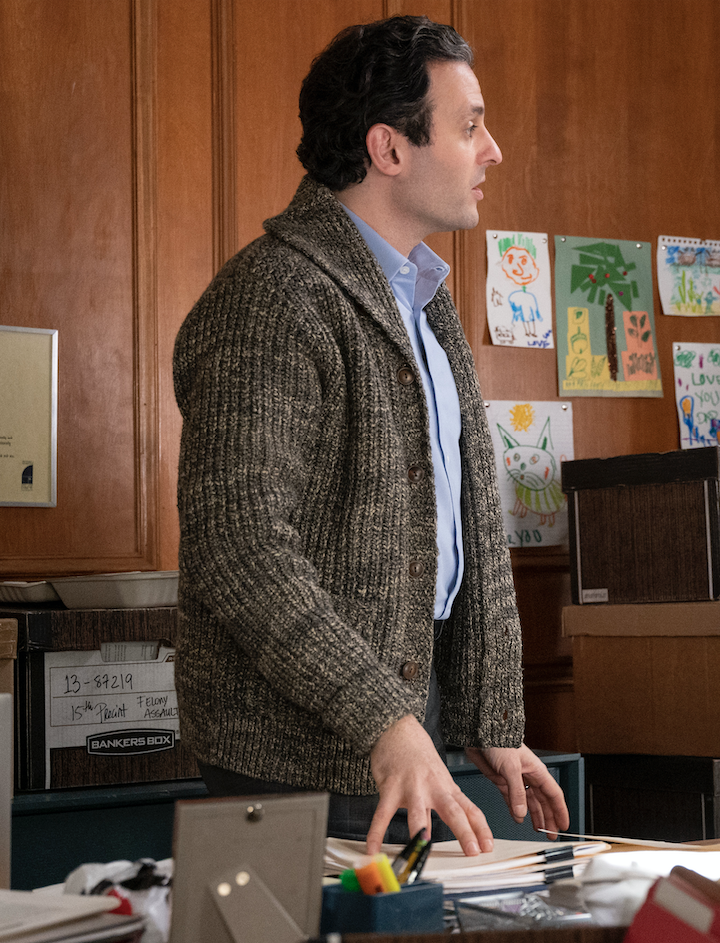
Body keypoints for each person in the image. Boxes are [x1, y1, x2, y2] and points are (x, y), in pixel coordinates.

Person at [172, 15, 568, 857]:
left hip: (400, 733)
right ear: (389, 149)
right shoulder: (273, 298)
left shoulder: (423, 299)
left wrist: (489, 717)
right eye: (469, 126)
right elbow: (239, 546)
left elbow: (463, 529)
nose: (492, 149)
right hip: (296, 758)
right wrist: (382, 720)